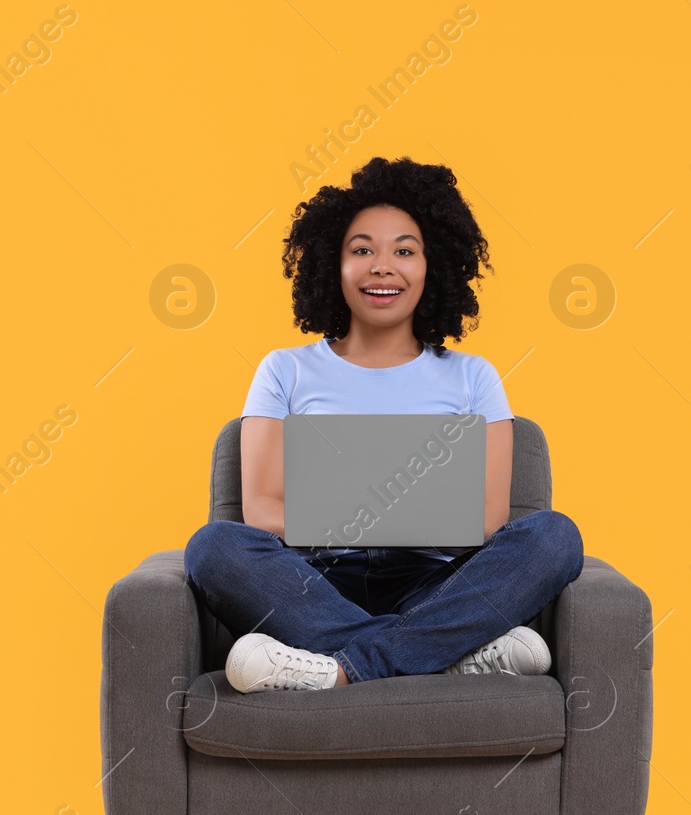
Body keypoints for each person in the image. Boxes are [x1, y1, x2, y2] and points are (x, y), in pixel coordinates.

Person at [183, 156, 584, 694]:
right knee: (213, 548)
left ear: (432, 266)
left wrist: (352, 508)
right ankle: (443, 654)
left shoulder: (474, 378)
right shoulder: (285, 370)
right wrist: (392, 510)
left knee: (554, 536)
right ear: (334, 264)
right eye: (362, 249)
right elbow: (259, 510)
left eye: (404, 251)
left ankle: (343, 667)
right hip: (315, 582)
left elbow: (488, 518)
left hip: (436, 585)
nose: (382, 266)